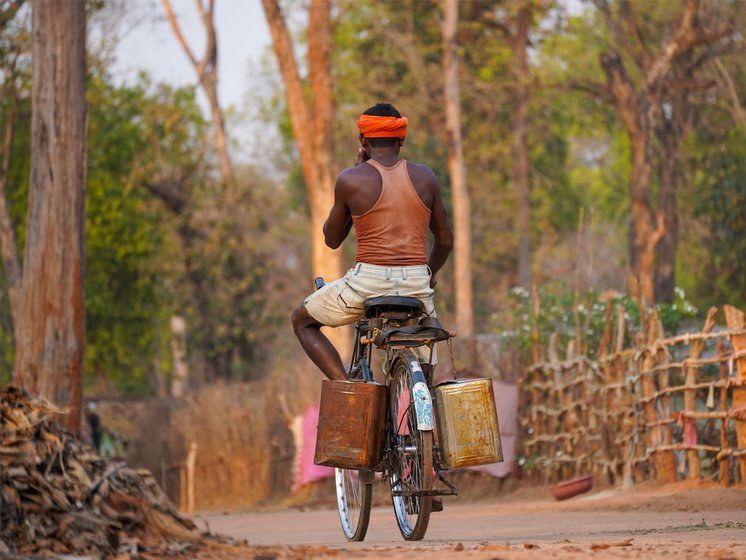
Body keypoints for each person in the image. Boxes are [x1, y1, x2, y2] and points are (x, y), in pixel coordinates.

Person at [291, 102, 453, 383]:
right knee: (426, 366)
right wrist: (429, 274)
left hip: (368, 285)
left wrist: (352, 192)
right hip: (417, 282)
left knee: (301, 320)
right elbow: (445, 241)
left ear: (362, 140)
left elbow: (331, 239)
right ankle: (420, 397)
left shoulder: (351, 179)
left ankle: (344, 386)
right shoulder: (426, 176)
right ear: (401, 139)